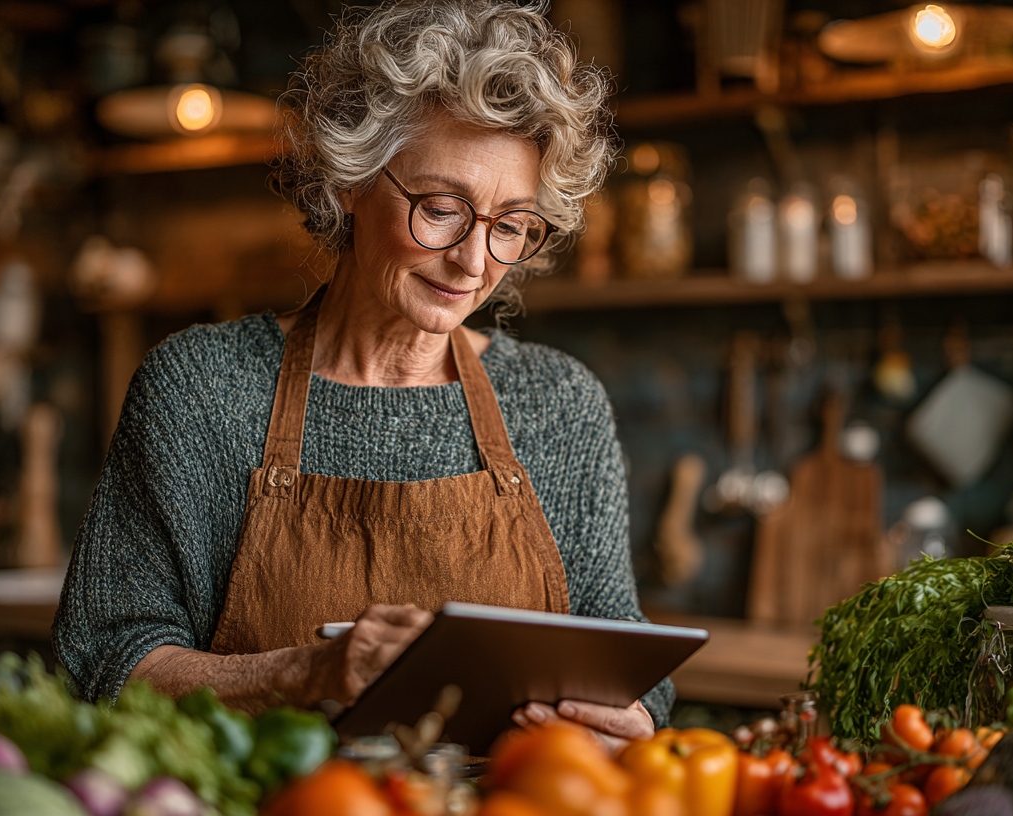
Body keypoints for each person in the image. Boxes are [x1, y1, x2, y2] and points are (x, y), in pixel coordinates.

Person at [54, 0, 669, 753]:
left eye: (509, 225)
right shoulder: (201, 389)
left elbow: (621, 642)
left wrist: (635, 713)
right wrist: (307, 673)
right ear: (351, 179)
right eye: (440, 209)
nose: (473, 262)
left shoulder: (560, 404)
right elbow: (107, 663)